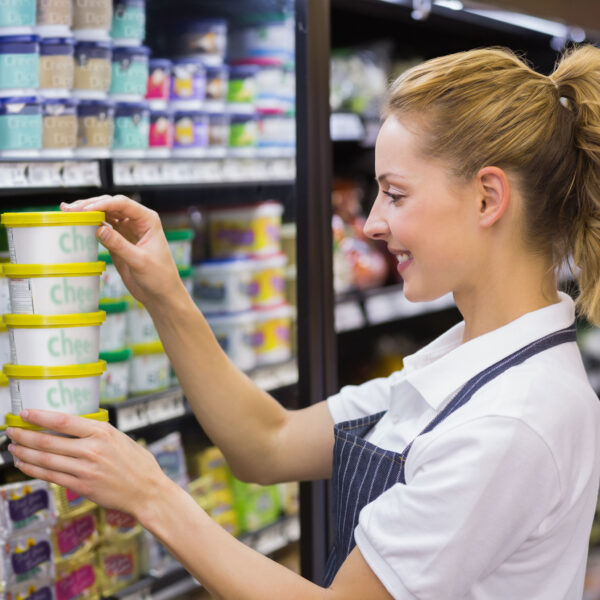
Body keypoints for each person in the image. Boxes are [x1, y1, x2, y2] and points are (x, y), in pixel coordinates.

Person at [6, 44, 600, 599]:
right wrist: (163, 292)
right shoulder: (468, 362)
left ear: (487, 199)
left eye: (394, 194)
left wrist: (150, 494)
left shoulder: (511, 421)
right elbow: (267, 444)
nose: (369, 224)